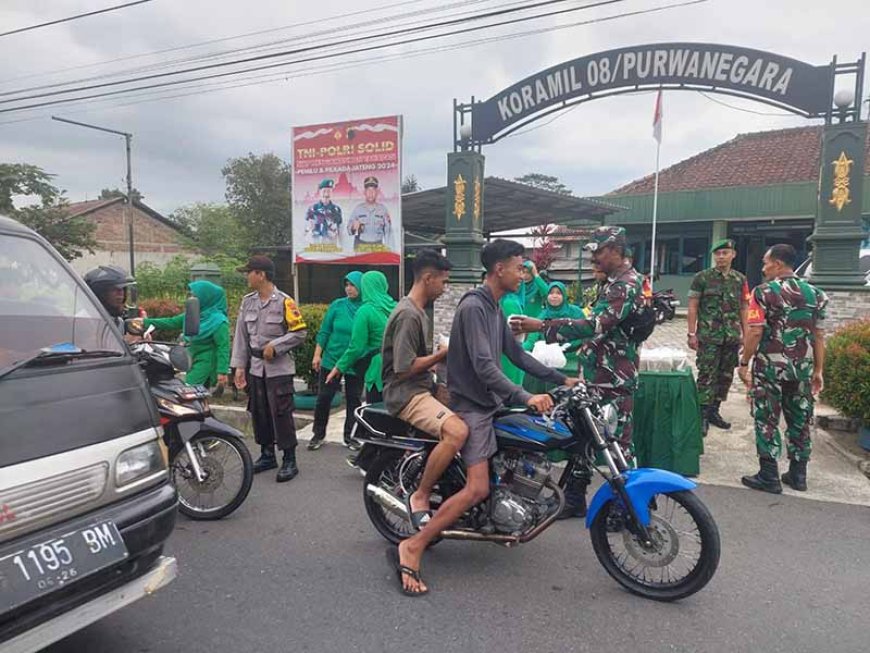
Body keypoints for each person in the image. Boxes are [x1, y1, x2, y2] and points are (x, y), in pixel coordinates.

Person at [391, 239, 578, 596]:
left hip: (489, 402)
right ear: (499, 269)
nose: (523, 274)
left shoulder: (495, 306)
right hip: (470, 405)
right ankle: (413, 546)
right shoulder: (474, 306)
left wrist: (563, 379)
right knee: (478, 487)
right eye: (518, 267)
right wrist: (525, 395)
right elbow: (483, 365)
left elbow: (518, 355)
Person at [511, 226, 644, 518]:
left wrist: (541, 326)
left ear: (617, 251)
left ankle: (629, 508)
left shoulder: (626, 285)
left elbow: (595, 326)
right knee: (584, 436)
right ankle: (573, 497)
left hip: (613, 379)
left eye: (599, 251)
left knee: (617, 442)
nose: (594, 258)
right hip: (597, 375)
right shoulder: (611, 283)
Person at [381, 249, 469, 531]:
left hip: (420, 387)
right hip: (405, 393)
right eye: (443, 281)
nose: (445, 288)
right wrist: (442, 354)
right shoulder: (408, 314)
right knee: (457, 431)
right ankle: (421, 495)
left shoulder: (418, 311)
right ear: (428, 278)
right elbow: (404, 368)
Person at [738, 244, 828, 494]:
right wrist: (818, 370)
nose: (763, 267)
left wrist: (744, 362)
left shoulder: (763, 292)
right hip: (803, 369)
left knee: (766, 417)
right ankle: (798, 475)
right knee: (800, 417)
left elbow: (755, 330)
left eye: (766, 262)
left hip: (770, 368)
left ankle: (769, 476)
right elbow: (819, 336)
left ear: (777, 264)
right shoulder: (816, 294)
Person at [230, 255, 308, 483]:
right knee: (260, 411)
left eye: (249, 272)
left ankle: (289, 459)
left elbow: (300, 332)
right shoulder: (248, 302)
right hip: (255, 368)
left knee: (281, 414)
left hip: (279, 369)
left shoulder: (285, 302)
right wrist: (238, 367)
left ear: (260, 275)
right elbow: (241, 337)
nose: (247, 276)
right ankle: (267, 454)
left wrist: (276, 346)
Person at [687, 239, 749, 434]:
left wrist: (746, 335)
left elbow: (744, 307)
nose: (721, 257)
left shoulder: (740, 279)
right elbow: (693, 306)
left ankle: (715, 411)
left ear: (733, 255)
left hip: (730, 337)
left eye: (725, 253)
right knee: (706, 375)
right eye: (718, 253)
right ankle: (702, 414)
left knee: (725, 376)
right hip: (708, 337)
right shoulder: (702, 277)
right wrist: (691, 332)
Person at [308, 272, 364, 450]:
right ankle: (318, 434)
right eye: (346, 284)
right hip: (332, 359)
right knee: (324, 397)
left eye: (353, 285)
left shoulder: (366, 308)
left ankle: (350, 437)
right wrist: (317, 355)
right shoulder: (337, 305)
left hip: (355, 361)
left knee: (354, 399)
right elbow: (324, 331)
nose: (349, 288)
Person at [143, 280, 230, 388]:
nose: (192, 299)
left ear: (206, 298)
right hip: (190, 358)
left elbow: (223, 346)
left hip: (206, 361)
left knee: (189, 388)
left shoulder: (219, 321)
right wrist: (144, 322)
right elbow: (171, 322)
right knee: (198, 393)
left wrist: (222, 371)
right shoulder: (193, 314)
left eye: (195, 296)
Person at [327, 270, 397, 405]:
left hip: (378, 370)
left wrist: (339, 367)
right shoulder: (396, 307)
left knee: (377, 417)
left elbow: (356, 347)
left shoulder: (365, 311)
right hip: (400, 366)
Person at [522, 281, 585, 394]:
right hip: (549, 357)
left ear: (564, 296)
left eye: (558, 293)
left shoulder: (575, 312)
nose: (554, 296)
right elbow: (533, 337)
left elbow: (584, 333)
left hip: (572, 356)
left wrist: (567, 346)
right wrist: (521, 349)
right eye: (551, 293)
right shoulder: (543, 315)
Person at [83, 264, 136, 333]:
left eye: (123, 289)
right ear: (100, 294)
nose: (121, 294)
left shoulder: (118, 322)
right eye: (115, 289)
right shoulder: (84, 320)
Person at [348, 176, 392, 251]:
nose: (371, 193)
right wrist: (353, 228)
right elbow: (349, 231)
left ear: (377, 192)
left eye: (373, 190)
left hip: (377, 247)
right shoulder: (358, 209)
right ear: (364, 192)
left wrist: (388, 250)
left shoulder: (383, 210)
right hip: (361, 247)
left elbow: (388, 232)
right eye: (368, 190)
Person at [305, 179, 343, 247]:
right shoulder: (313, 208)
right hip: (316, 247)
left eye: (329, 191)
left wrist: (343, 246)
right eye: (324, 191)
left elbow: (340, 229)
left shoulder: (337, 209)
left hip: (332, 247)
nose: (326, 194)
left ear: (332, 193)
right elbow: (307, 229)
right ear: (320, 192)